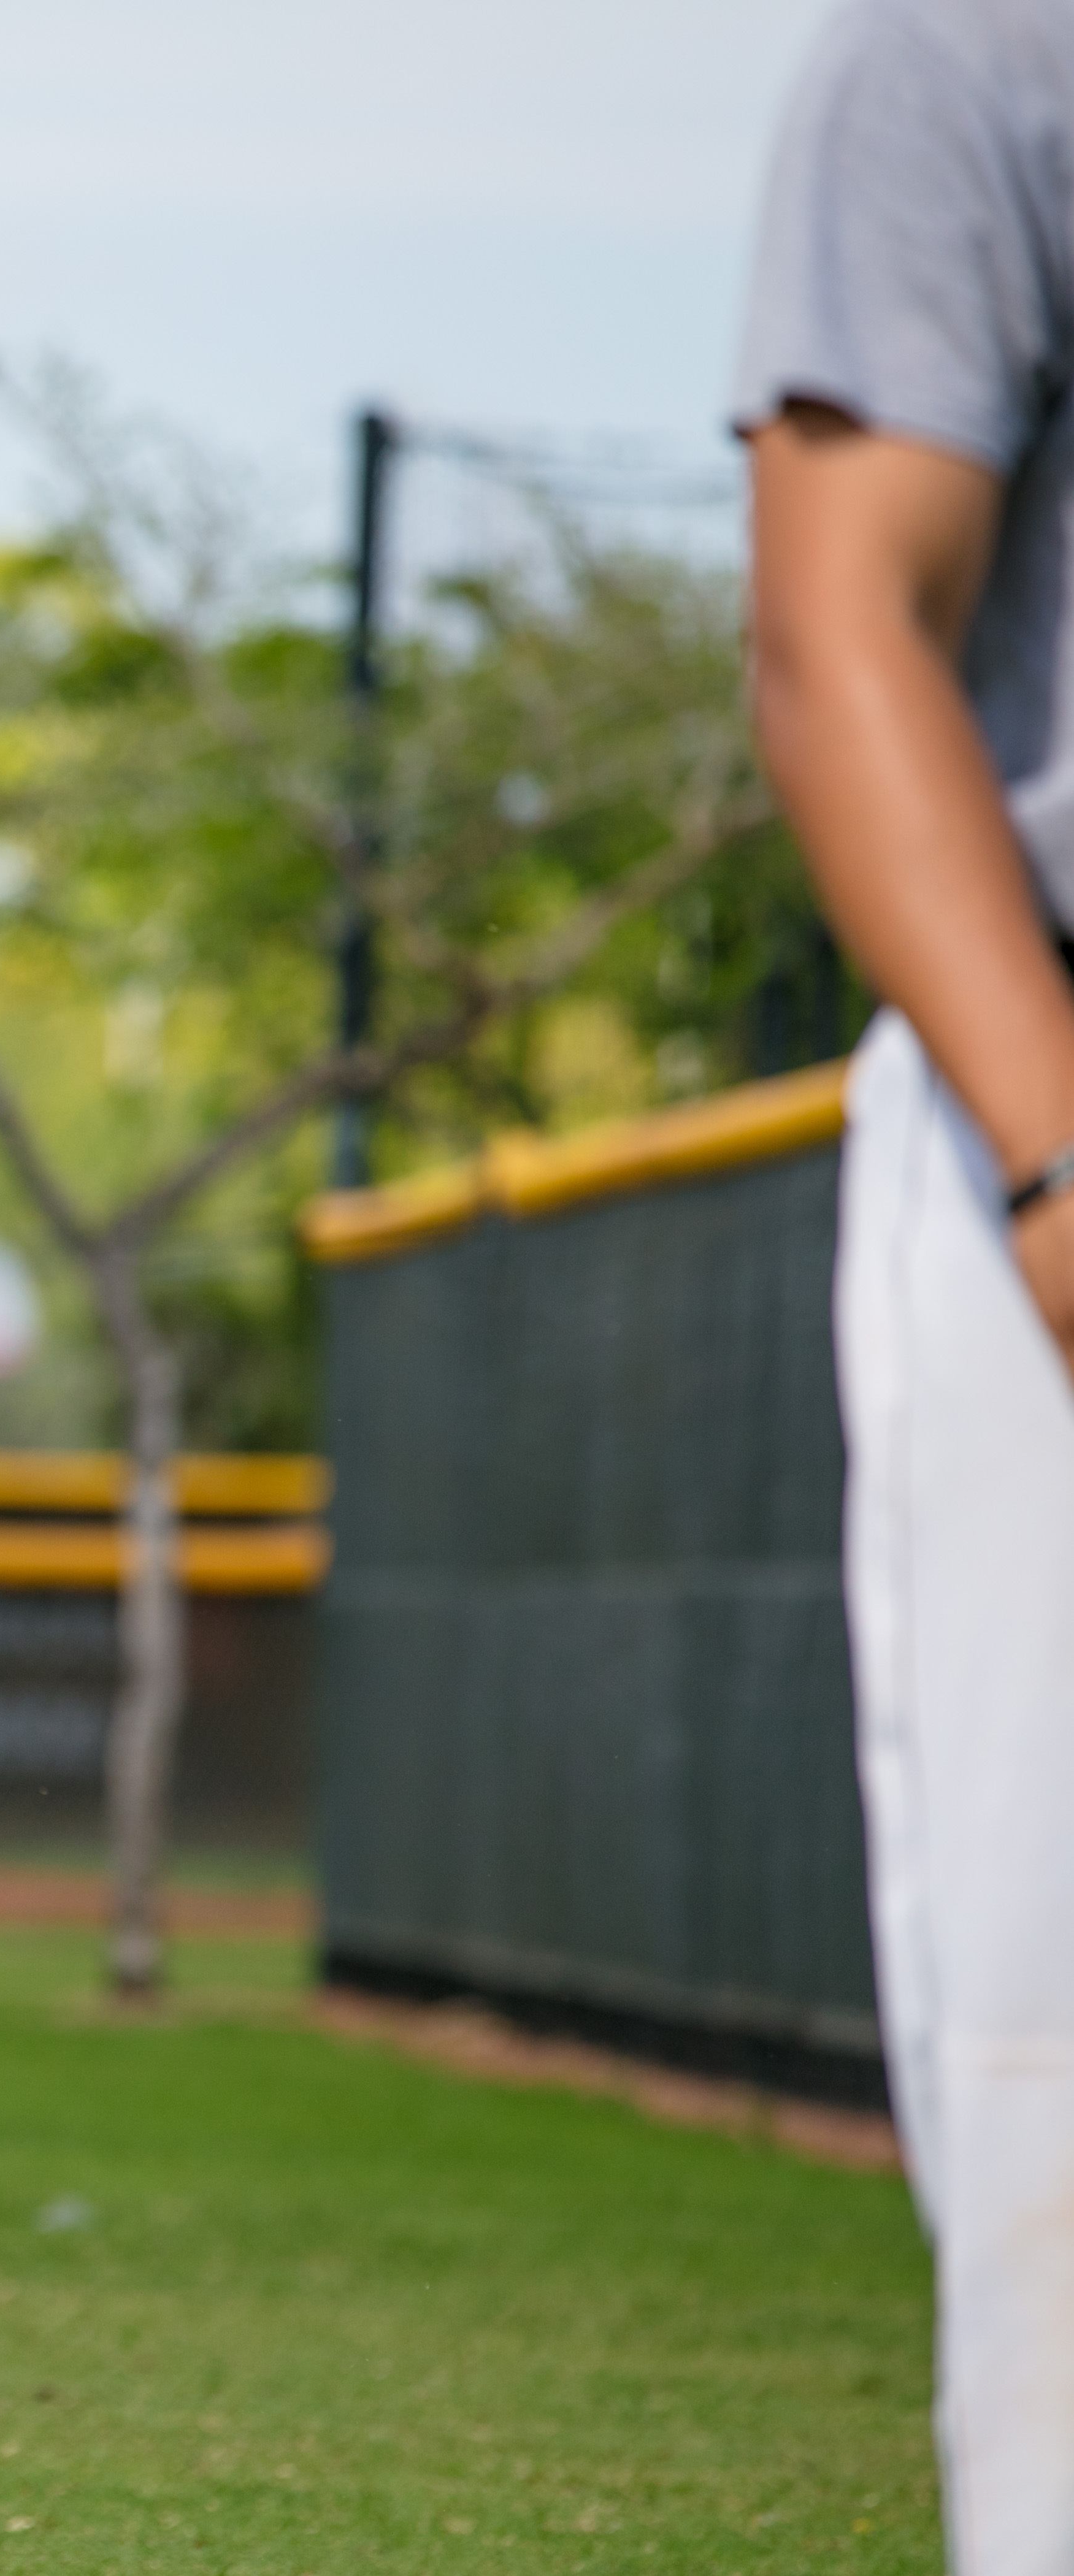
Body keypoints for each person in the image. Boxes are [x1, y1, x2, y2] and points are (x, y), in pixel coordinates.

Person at [743, 4, 1074, 2567]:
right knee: (1053, 2086)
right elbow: (840, 621)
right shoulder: (971, 56)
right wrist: (1058, 1167)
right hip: (1042, 1101)